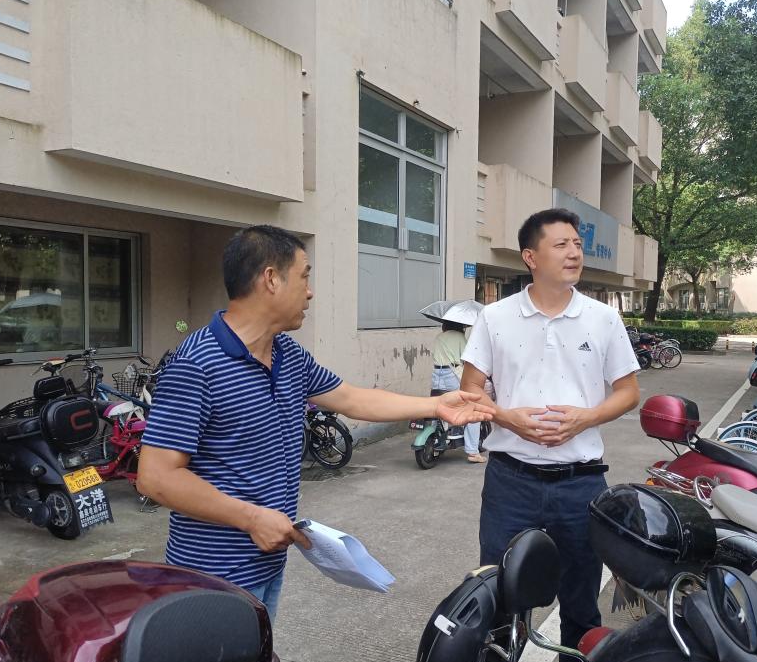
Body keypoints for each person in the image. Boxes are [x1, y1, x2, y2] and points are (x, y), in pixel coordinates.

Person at [137, 225, 494, 622]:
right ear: (271, 279)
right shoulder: (197, 364)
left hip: (268, 564)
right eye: (304, 277)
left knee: (255, 660)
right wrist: (251, 518)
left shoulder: (287, 354)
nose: (310, 292)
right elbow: (156, 477)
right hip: (212, 575)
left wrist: (437, 405)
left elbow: (352, 399)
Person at [460, 208, 640, 662]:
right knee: (499, 596)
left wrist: (586, 418)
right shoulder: (495, 317)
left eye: (577, 244)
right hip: (511, 484)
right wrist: (507, 417)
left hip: (582, 484)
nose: (574, 252)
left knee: (581, 604)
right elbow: (470, 390)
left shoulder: (603, 319)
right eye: (561, 244)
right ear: (530, 257)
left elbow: (628, 392)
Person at [432, 319, 485, 463]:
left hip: (437, 376)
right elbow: (467, 359)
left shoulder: (439, 337)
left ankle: (439, 437)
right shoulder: (460, 337)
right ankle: (473, 452)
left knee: (437, 407)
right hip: (452, 376)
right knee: (472, 411)